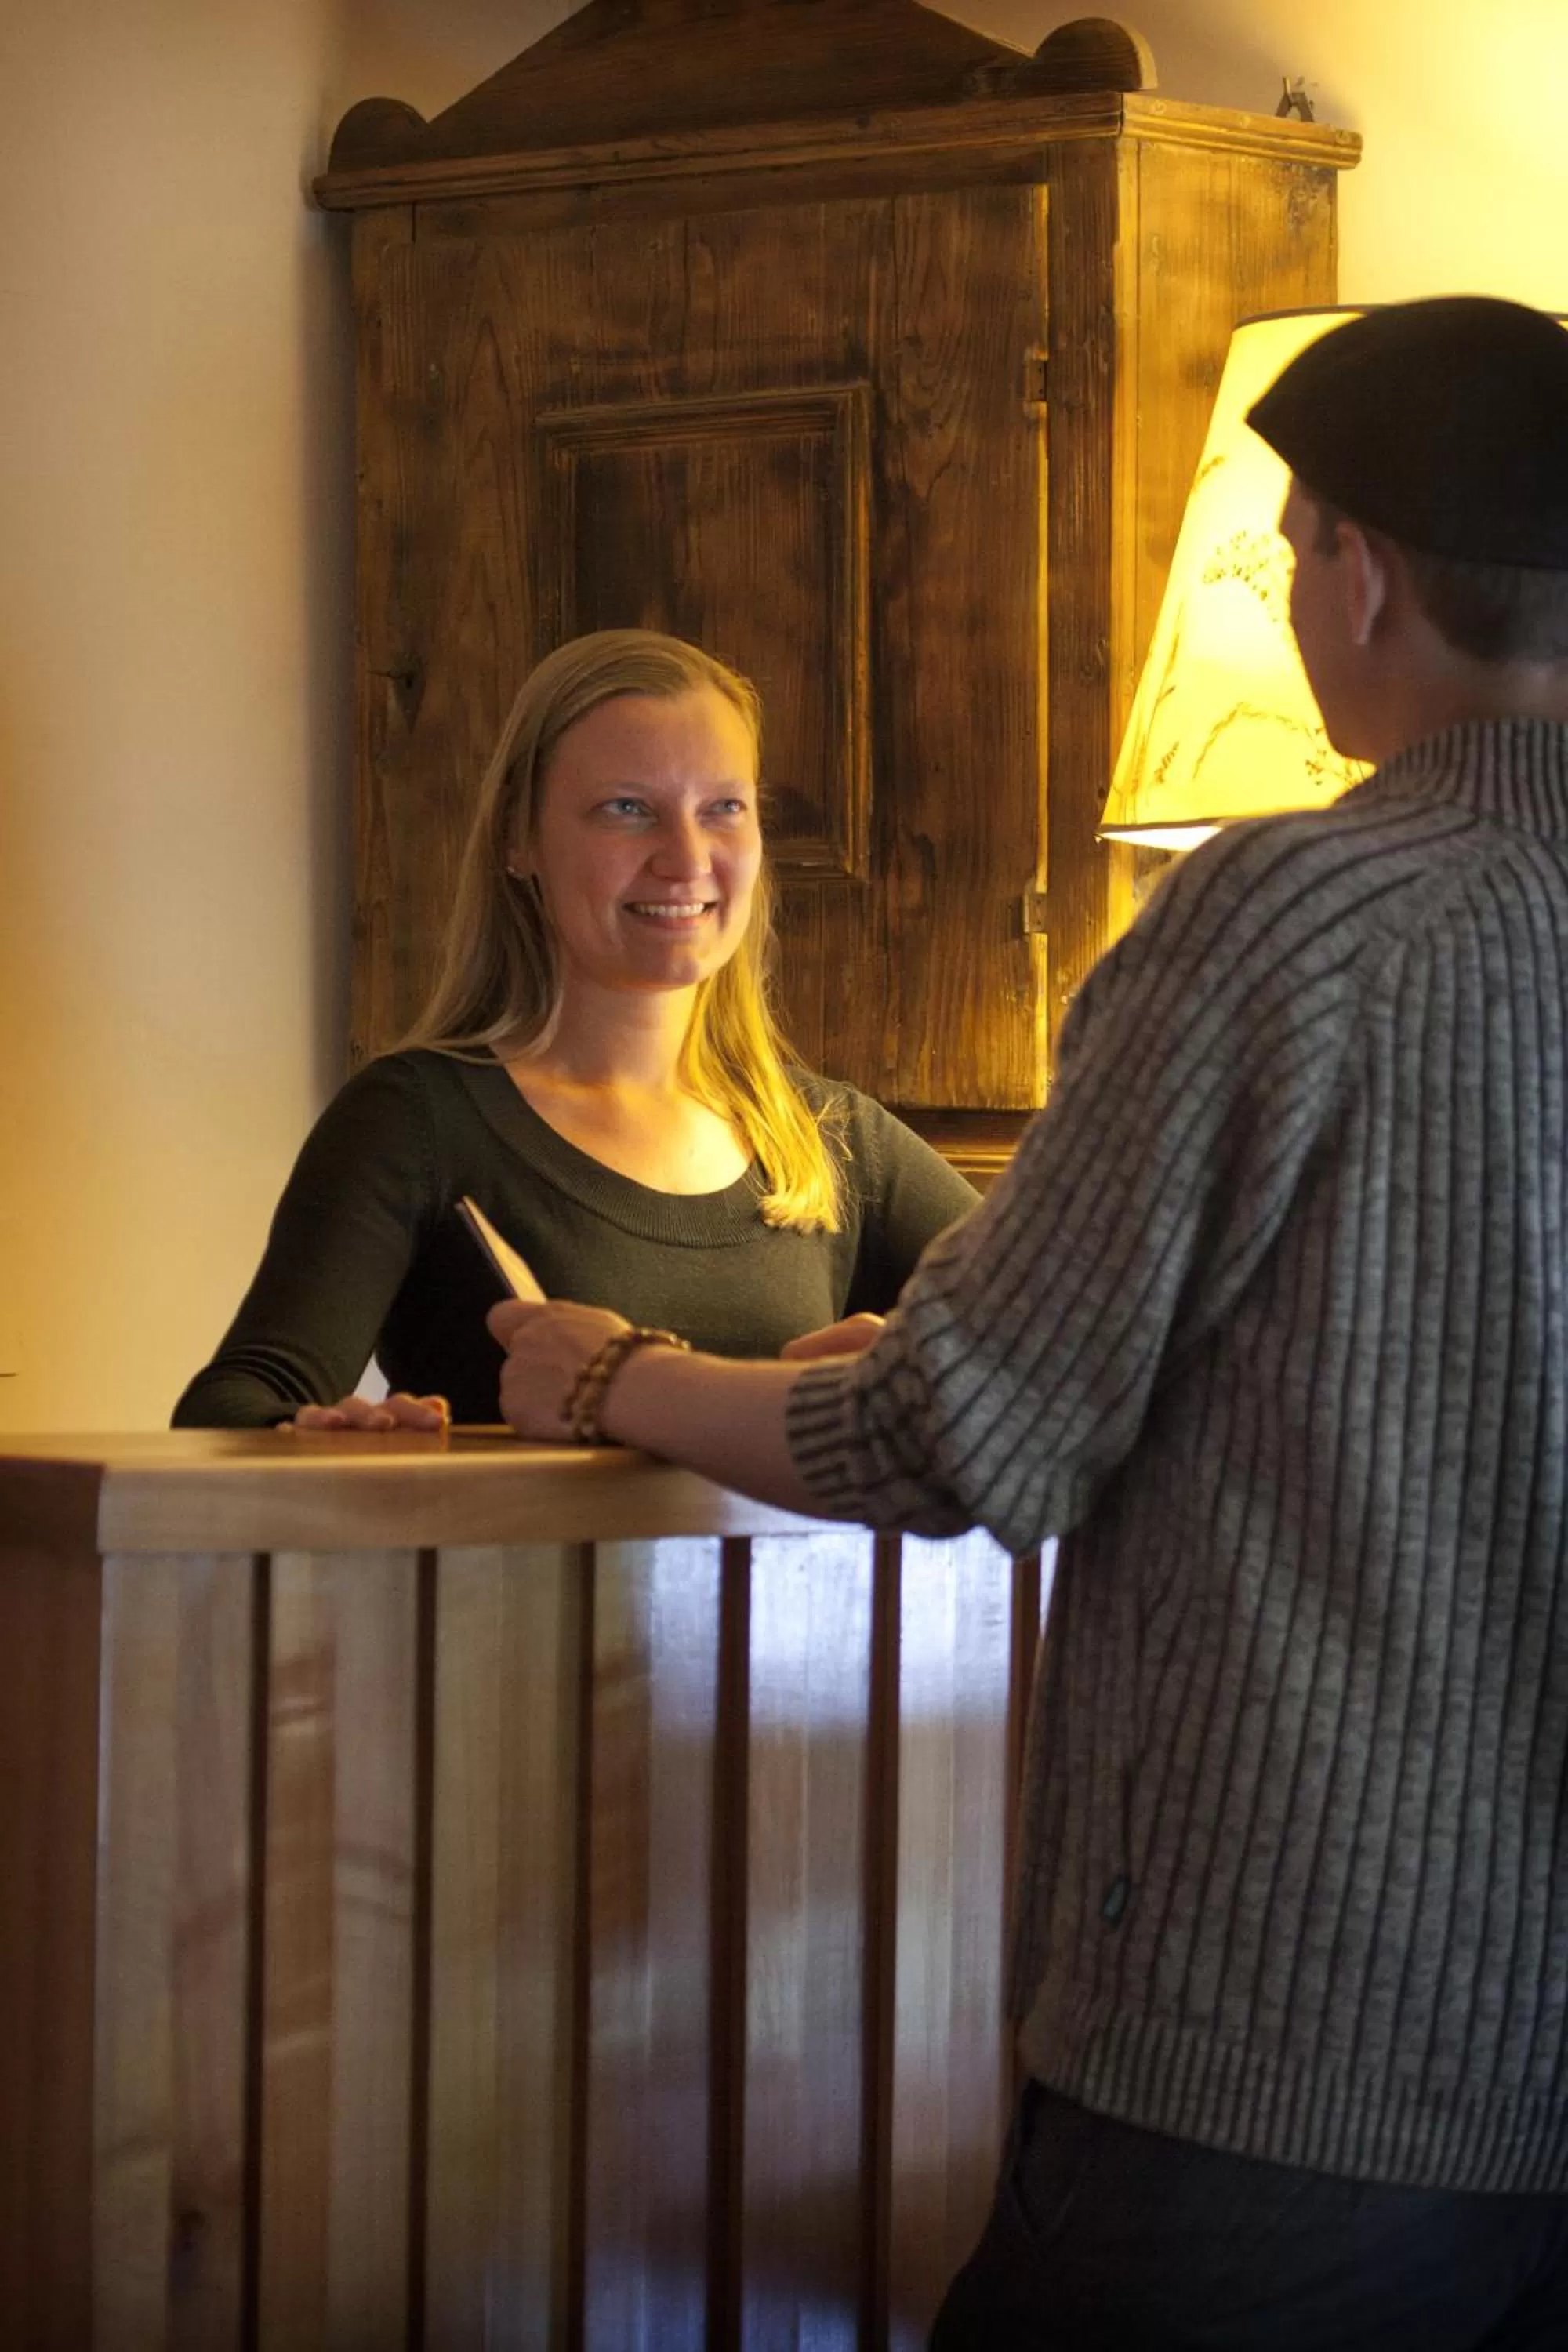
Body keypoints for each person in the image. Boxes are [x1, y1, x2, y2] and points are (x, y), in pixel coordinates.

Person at [488, 299, 1568, 2347]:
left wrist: (627, 1375)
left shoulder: (1287, 913)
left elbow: (956, 1440)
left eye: (1287, 540)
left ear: (1361, 569)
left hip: (1285, 2060)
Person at [172, 630, 976, 1430]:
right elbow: (229, 1409)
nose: (685, 857)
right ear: (519, 840)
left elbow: (1075, 1356)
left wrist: (919, 1380)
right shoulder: (414, 1119)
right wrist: (322, 1441)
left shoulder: (837, 1144)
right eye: (628, 810)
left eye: (723, 809)